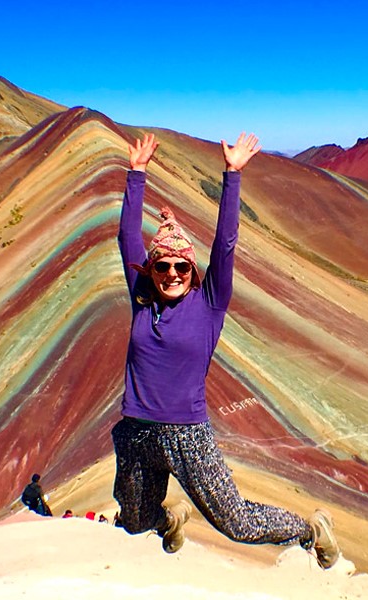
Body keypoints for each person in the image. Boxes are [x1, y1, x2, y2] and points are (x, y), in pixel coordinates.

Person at [110, 132, 339, 568]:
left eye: (181, 266)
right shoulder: (142, 297)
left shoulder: (209, 303)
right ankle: (169, 520)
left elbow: (225, 244)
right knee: (135, 521)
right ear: (151, 269)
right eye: (162, 265)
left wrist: (232, 175)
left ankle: (311, 530)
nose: (172, 273)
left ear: (192, 269)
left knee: (236, 522)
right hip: (137, 430)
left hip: (187, 434)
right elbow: (126, 239)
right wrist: (136, 174)